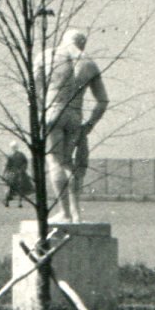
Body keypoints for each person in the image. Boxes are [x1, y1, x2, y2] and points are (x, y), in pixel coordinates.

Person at [44, 30, 109, 221]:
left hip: (53, 111)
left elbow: (35, 89)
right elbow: (103, 101)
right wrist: (90, 124)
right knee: (68, 163)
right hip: (75, 115)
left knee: (55, 162)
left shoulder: (47, 56)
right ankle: (75, 212)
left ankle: (64, 212)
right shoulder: (89, 63)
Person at [1, 141, 34, 207]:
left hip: (14, 173)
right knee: (19, 187)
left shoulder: (12, 155)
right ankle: (16, 202)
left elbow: (7, 166)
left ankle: (10, 202)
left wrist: (4, 174)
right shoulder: (20, 154)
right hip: (19, 172)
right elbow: (25, 163)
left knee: (10, 186)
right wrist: (22, 169)